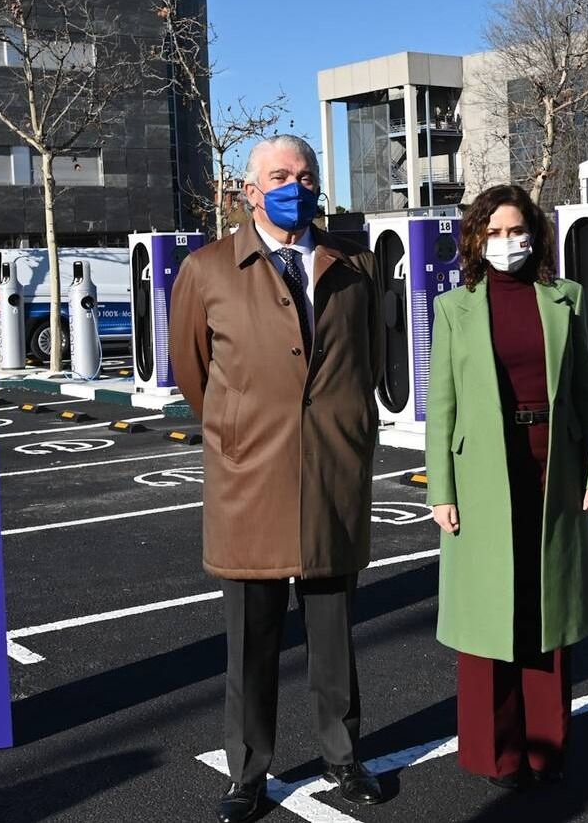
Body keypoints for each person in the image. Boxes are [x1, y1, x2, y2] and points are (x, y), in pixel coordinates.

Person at [171, 135, 387, 822]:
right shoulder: (207, 270)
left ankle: (342, 754)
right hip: (251, 479)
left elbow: (368, 358)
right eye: (278, 175)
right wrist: (242, 431)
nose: (294, 184)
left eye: (303, 174)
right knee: (250, 639)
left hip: (330, 472)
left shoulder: (353, 262)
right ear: (249, 190)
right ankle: (247, 771)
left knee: (333, 632)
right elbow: (192, 373)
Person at [425, 183, 588, 790]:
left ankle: (545, 747)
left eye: (516, 231)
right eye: (494, 233)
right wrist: (440, 490)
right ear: (476, 239)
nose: (508, 243)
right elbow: (442, 405)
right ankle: (494, 752)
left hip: (550, 466)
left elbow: (586, 395)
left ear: (534, 233)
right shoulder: (456, 308)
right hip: (481, 473)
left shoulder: (565, 298)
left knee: (545, 607)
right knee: (488, 613)